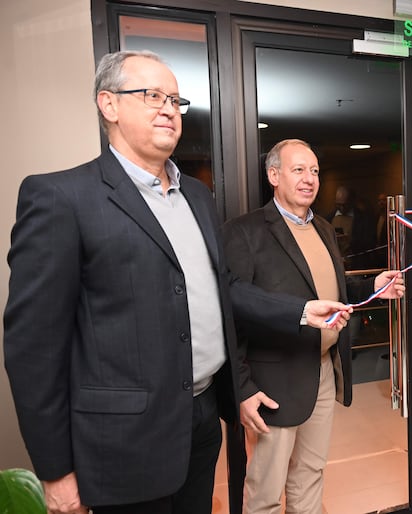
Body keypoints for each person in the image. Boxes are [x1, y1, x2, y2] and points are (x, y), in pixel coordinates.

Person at [3, 51, 350, 514]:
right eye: (152, 95)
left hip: (203, 418)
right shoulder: (61, 198)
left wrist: (300, 311)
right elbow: (33, 349)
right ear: (108, 104)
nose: (168, 107)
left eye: (175, 98)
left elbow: (222, 289)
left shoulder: (198, 198)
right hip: (124, 440)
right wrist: (56, 471)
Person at [222, 139, 404, 514]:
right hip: (273, 381)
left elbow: (328, 290)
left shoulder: (321, 226)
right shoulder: (245, 232)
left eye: (315, 171)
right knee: (265, 490)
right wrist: (242, 388)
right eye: (299, 170)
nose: (310, 179)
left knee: (310, 472)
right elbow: (233, 310)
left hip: (322, 370)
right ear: (274, 175)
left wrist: (371, 287)